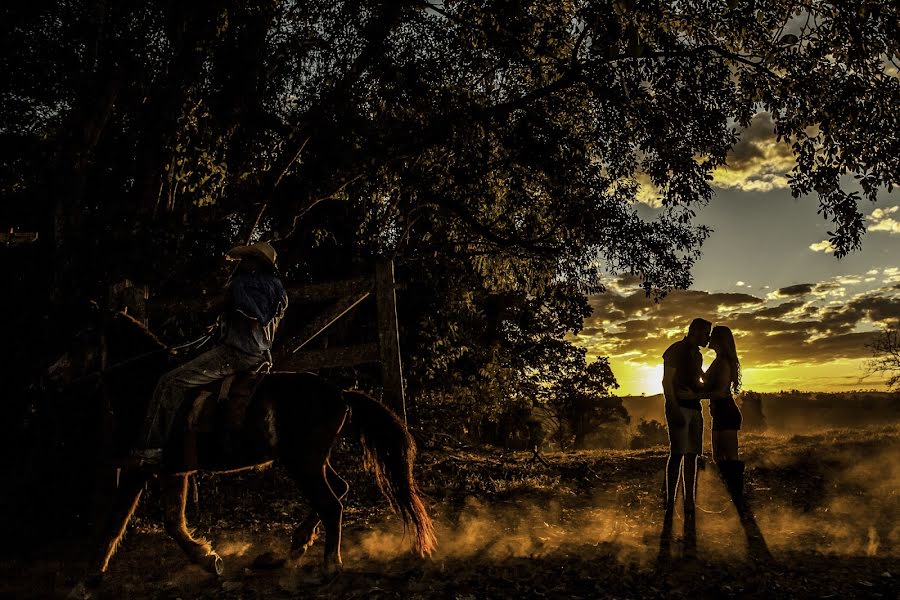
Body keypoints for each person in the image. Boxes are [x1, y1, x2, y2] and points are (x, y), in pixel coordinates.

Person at [132, 241, 288, 463]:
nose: (243, 263)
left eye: (247, 258)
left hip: (235, 355)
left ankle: (150, 449)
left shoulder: (242, 285)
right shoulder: (278, 289)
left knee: (170, 382)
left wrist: (217, 311)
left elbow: (222, 308)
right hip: (261, 355)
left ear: (257, 263)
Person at [679, 325, 745, 509]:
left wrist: (694, 396)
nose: (708, 340)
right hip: (719, 412)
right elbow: (705, 381)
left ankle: (738, 496)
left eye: (712, 337)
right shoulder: (717, 361)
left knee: (730, 457)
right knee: (719, 457)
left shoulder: (723, 363)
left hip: (726, 411)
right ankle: (734, 495)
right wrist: (695, 368)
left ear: (719, 341)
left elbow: (719, 392)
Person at [661, 318, 711, 516]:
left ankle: (689, 500)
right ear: (694, 332)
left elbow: (699, 378)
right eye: (705, 333)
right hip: (679, 408)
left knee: (692, 455)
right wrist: (673, 408)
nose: (707, 337)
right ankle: (670, 502)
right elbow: (666, 382)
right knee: (677, 454)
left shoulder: (697, 355)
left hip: (695, 407)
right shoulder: (675, 350)